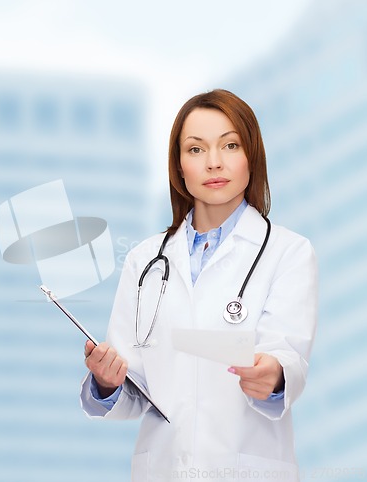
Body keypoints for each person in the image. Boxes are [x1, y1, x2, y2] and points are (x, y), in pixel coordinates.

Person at [80, 89, 318, 481]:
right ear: (179, 166)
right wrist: (106, 382)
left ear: (251, 157)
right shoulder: (145, 261)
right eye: (196, 150)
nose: (213, 162)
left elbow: (287, 356)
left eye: (229, 145)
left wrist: (272, 376)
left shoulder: (288, 252)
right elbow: (134, 391)